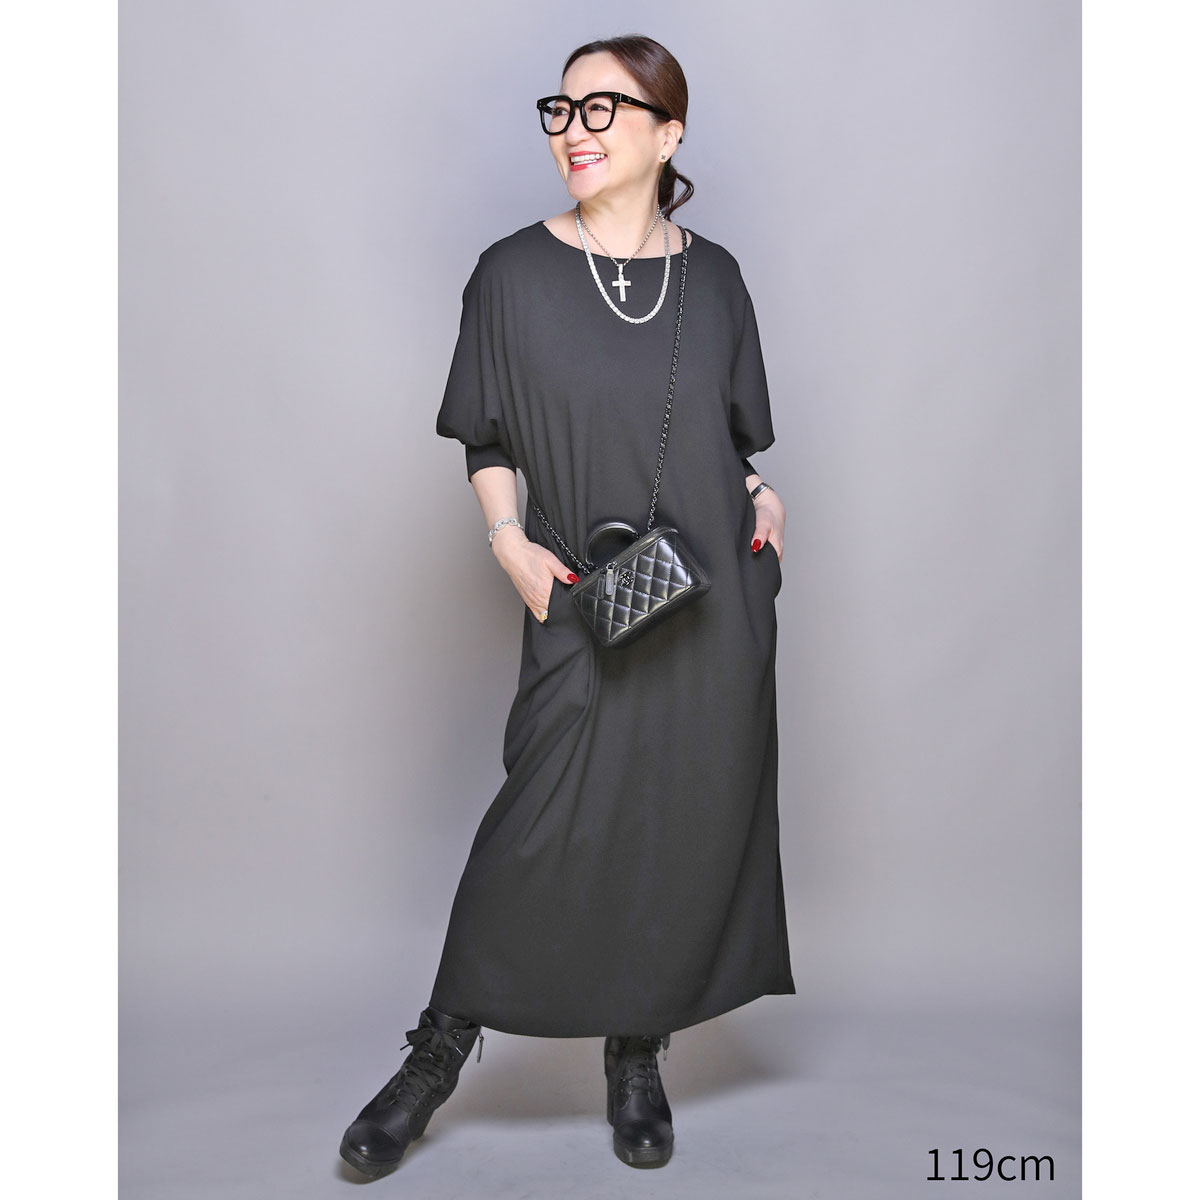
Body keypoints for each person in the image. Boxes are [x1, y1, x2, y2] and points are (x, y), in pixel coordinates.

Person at [339, 34, 794, 1178]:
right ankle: (437, 1054)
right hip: (583, 596)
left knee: (675, 824)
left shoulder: (718, 278)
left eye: (605, 108)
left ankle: (635, 1052)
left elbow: (733, 440)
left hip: (710, 599)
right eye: (562, 108)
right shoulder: (511, 274)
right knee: (540, 822)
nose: (574, 129)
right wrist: (508, 541)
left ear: (668, 133)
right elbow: (486, 436)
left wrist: (761, 495)